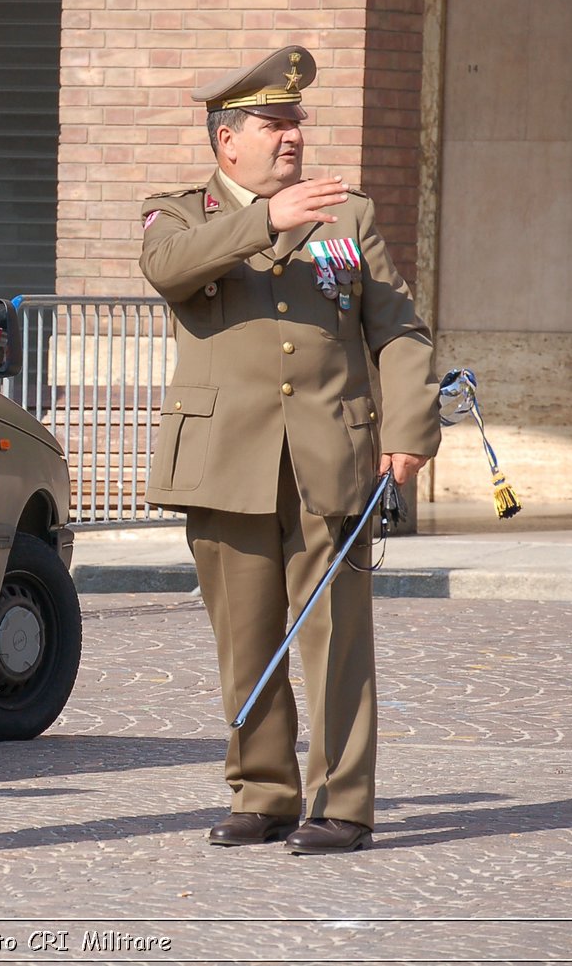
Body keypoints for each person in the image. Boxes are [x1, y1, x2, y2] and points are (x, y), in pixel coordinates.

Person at [138, 45, 440, 855]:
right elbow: (167, 269)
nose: (293, 138)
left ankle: (343, 802)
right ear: (226, 139)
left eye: (298, 122)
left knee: (337, 633)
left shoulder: (349, 216)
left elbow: (400, 331)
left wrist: (408, 432)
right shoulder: (181, 213)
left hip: (330, 458)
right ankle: (264, 790)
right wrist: (265, 220)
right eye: (274, 124)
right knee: (248, 635)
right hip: (224, 460)